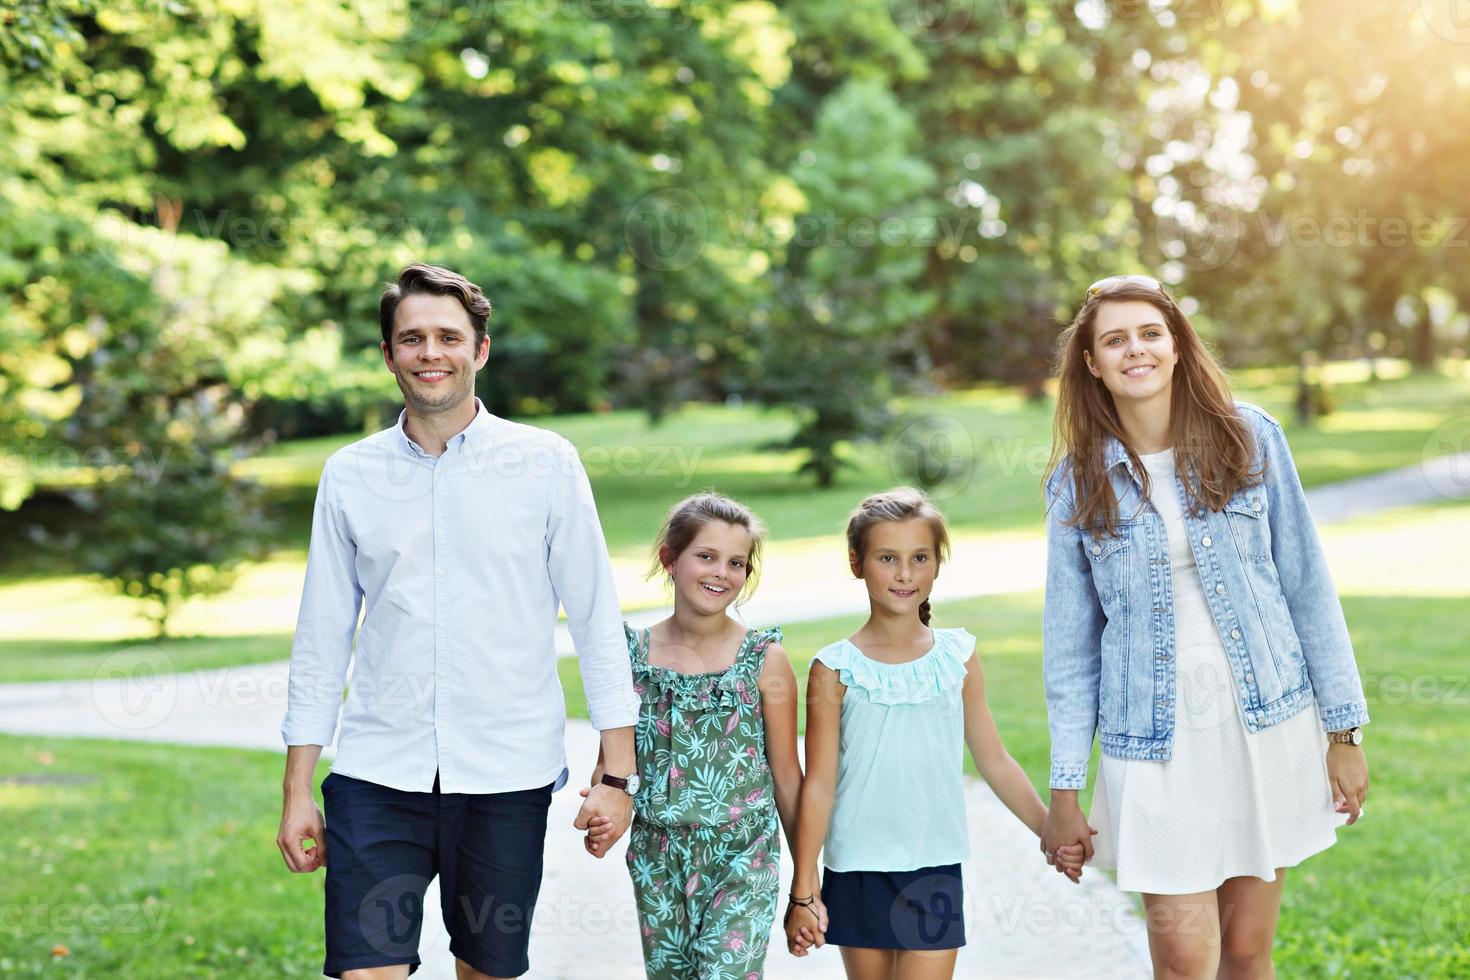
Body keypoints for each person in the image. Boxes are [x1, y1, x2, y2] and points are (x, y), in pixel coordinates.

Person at [274, 263, 640, 980]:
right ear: (388, 356)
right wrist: (297, 791)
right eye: (412, 338)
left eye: (448, 336)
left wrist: (617, 775)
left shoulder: (545, 464)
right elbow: (321, 638)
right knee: (364, 970)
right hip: (378, 773)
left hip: (505, 774)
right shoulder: (349, 474)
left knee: (486, 971)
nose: (430, 352)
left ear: (481, 350)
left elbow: (596, 619)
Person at [1038, 274, 1371, 979]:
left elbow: (1308, 588)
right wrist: (1065, 791)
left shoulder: (1248, 438)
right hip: (1152, 743)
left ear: (1178, 346)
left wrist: (1343, 734)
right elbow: (1070, 651)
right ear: (1092, 363)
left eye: (1151, 333)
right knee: (1186, 962)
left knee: (1249, 955)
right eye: (1115, 339)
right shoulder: (1077, 482)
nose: (1137, 350)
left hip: (1267, 723)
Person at [787, 487, 1085, 980]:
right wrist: (804, 888)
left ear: (937, 564)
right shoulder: (834, 668)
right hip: (858, 867)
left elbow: (993, 759)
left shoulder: (957, 656)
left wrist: (1049, 830)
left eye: (919, 557)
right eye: (888, 558)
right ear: (857, 562)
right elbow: (818, 784)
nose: (905, 574)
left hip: (934, 866)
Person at [582, 493, 804, 979]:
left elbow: (788, 776)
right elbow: (612, 766)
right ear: (670, 559)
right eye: (706, 556)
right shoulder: (631, 657)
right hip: (657, 859)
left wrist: (805, 888)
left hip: (743, 856)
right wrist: (603, 811)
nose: (721, 572)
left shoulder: (764, 660)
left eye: (737, 563)